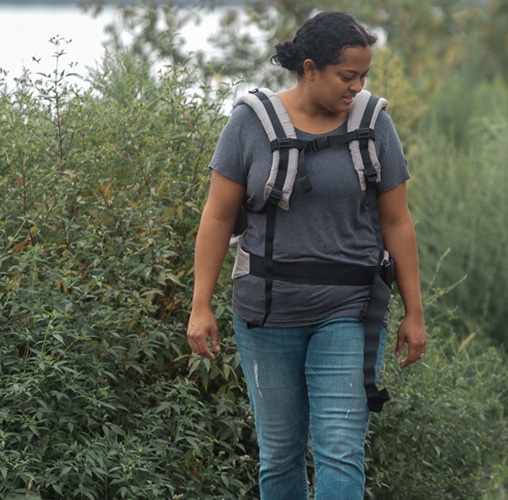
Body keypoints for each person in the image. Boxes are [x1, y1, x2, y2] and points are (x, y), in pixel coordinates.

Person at [185, 11, 426, 500]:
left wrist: (414, 312)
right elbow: (216, 217)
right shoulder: (249, 125)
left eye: (363, 76)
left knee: (339, 449)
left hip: (351, 309)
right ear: (310, 68)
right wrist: (200, 304)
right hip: (266, 313)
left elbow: (398, 222)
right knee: (280, 456)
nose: (357, 87)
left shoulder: (374, 125)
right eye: (347, 76)